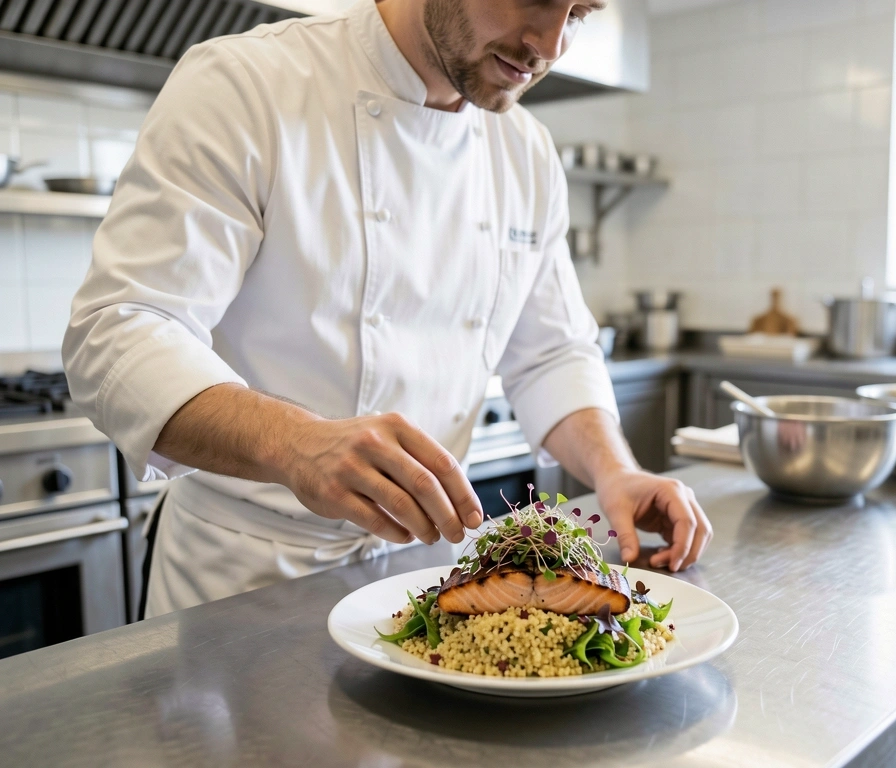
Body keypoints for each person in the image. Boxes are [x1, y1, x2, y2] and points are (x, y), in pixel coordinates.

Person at [63, 0, 712, 619]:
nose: (548, 45)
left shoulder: (526, 151)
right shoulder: (247, 85)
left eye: (578, 14)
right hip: (246, 579)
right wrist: (295, 443)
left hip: (428, 577)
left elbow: (552, 352)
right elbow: (119, 332)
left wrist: (615, 473)